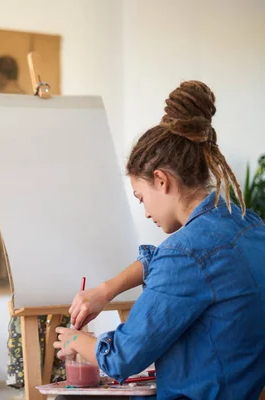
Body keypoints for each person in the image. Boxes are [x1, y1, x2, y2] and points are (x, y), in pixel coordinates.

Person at [53, 81, 265, 399]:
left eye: (141, 197)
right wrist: (105, 290)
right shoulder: (246, 223)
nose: (146, 211)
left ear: (161, 180)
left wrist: (70, 340)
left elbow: (121, 358)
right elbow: (171, 262)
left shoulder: (187, 254)